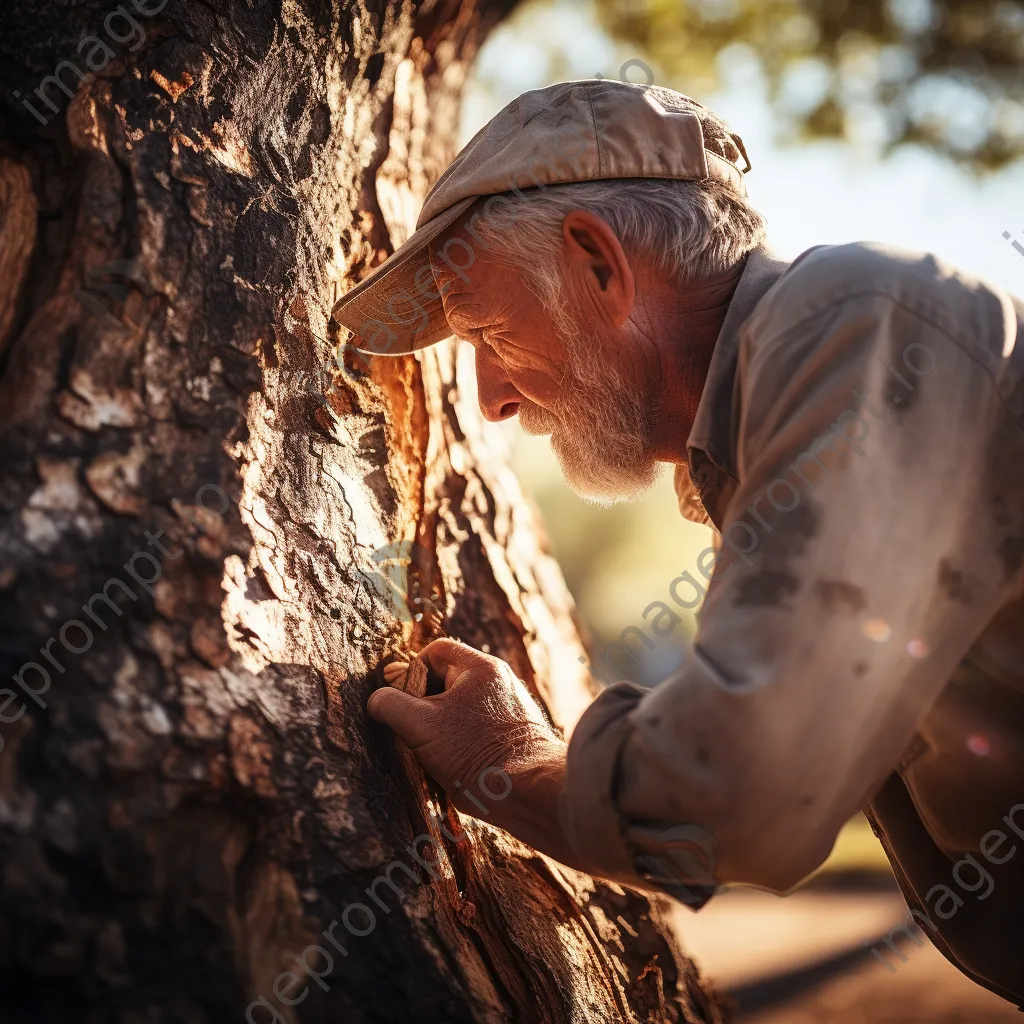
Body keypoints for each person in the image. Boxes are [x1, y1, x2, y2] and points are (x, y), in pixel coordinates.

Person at [331, 79, 1024, 1005]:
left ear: (597, 264)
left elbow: (749, 790)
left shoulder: (861, 318)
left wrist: (516, 766)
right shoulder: (773, 423)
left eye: (490, 331)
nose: (490, 397)